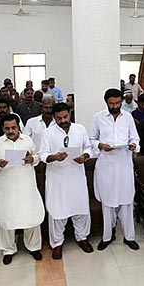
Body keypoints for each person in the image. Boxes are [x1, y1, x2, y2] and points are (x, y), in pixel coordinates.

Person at [0, 113, 44, 264]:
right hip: (6, 189)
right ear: (2, 129)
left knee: (30, 216)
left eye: (13, 127)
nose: (10, 131)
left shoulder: (28, 140)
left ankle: (34, 247)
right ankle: (8, 249)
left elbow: (37, 157)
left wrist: (32, 159)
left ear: (19, 127)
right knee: (6, 219)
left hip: (26, 186)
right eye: (7, 128)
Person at [40, 103, 95, 259]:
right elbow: (43, 155)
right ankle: (57, 244)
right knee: (58, 213)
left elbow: (89, 148)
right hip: (57, 179)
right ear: (54, 118)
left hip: (76, 176)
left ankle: (82, 238)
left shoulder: (80, 129)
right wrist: (55, 157)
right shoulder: (48, 133)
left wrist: (84, 156)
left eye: (65, 117)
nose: (63, 120)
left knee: (80, 209)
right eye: (59, 118)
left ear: (70, 113)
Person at [90, 88, 140, 251]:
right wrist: (100, 145)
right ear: (106, 103)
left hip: (124, 165)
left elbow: (135, 137)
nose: (115, 106)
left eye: (118, 102)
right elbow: (92, 139)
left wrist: (134, 145)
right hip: (106, 165)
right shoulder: (98, 118)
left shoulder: (128, 117)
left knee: (126, 201)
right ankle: (107, 236)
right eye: (112, 103)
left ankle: (129, 237)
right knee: (108, 202)